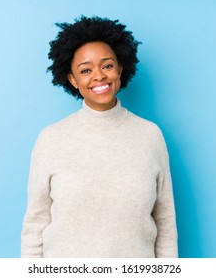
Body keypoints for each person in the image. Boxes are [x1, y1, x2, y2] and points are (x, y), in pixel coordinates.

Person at [21, 16, 178, 258]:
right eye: (85, 70)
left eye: (107, 65)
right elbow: (35, 224)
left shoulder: (150, 135)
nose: (99, 76)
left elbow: (165, 224)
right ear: (72, 79)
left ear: (120, 68)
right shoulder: (51, 138)